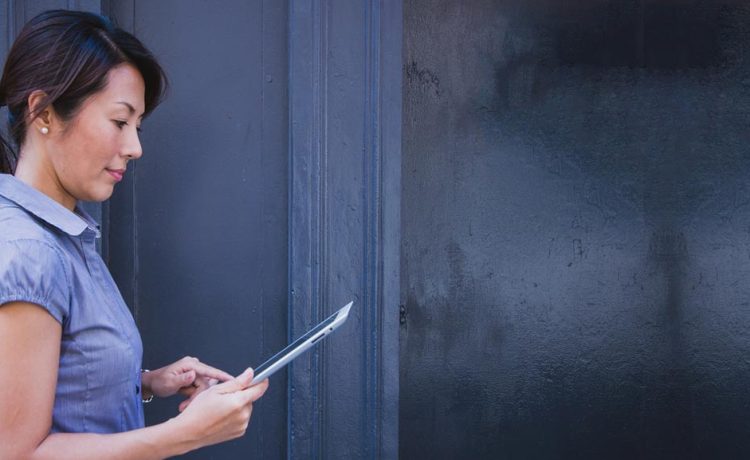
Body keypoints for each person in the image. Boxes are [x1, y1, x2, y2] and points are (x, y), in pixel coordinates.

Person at [0, 10, 269, 459]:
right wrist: (186, 433)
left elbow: (58, 382)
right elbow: (18, 453)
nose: (135, 147)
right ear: (43, 112)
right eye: (119, 121)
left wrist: (144, 382)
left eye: (137, 126)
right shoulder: (29, 250)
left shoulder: (62, 234)